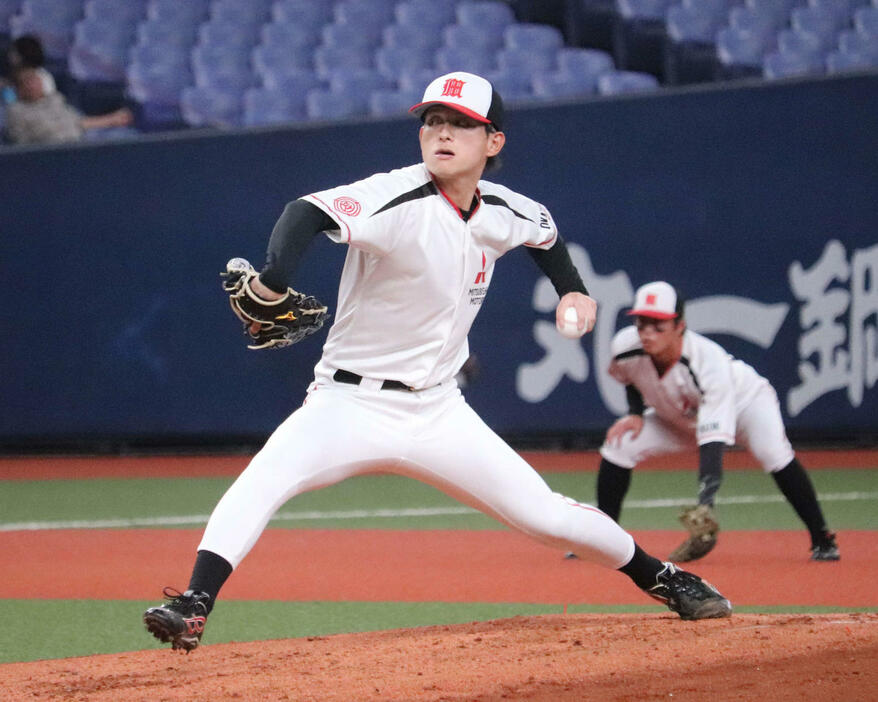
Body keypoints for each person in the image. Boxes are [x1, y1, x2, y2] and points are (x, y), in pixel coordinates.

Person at [143, 72, 732, 652]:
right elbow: (305, 213)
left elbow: (545, 237)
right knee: (264, 480)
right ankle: (194, 604)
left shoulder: (506, 208)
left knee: (547, 518)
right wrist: (273, 282)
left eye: (461, 124)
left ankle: (664, 577)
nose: (441, 133)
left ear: (493, 141)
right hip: (348, 403)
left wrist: (573, 291)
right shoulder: (395, 196)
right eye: (432, 121)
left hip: (438, 411)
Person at [591, 280, 839, 563]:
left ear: (679, 326)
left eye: (658, 325)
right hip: (679, 417)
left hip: (745, 404)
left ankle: (822, 538)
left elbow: (712, 439)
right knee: (620, 444)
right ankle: (602, 537)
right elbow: (629, 378)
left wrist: (705, 503)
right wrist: (635, 414)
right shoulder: (624, 346)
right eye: (642, 323)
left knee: (773, 453)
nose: (648, 333)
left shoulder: (708, 361)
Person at [4, 66, 133, 145]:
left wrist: (113, 120)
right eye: (28, 83)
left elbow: (76, 121)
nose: (34, 85)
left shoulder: (54, 101)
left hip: (75, 146)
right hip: (44, 158)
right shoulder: (16, 112)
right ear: (19, 89)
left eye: (35, 80)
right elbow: (53, 134)